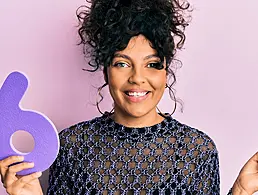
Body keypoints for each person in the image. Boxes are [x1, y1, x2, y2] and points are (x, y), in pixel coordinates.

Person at [0, 0, 258, 194]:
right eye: (122, 64)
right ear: (105, 71)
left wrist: (241, 191)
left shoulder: (198, 151)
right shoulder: (71, 147)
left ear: (165, 71)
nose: (137, 77)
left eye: (152, 64)